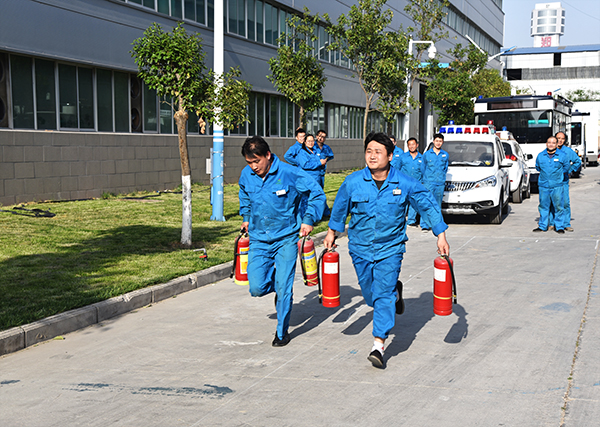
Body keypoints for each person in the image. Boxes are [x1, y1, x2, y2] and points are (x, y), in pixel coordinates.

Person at [323, 132, 450, 369]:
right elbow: (340, 208)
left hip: (390, 249)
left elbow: (427, 204)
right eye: (369, 151)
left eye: (378, 152)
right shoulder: (353, 182)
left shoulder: (405, 182)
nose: (372, 156)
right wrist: (332, 232)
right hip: (360, 248)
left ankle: (378, 345)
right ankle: (395, 295)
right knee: (370, 295)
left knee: (382, 295)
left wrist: (440, 234)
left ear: (390, 156)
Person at [239, 136, 327, 346]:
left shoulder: (290, 173)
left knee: (285, 287)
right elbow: (244, 196)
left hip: (286, 238)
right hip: (259, 239)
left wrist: (308, 219)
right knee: (256, 288)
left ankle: (281, 332)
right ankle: (279, 286)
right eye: (249, 162)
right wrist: (245, 218)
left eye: (256, 161)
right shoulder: (247, 175)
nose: (253, 167)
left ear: (267, 156)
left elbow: (317, 194)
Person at [533, 136, 570, 234]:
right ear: (546, 144)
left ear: (556, 144)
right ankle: (542, 226)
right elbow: (538, 167)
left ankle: (559, 227)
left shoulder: (562, 155)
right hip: (544, 186)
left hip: (557, 186)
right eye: (549, 142)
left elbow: (566, 167)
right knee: (543, 206)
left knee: (558, 206)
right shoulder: (541, 155)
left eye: (553, 143)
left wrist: (558, 176)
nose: (551, 144)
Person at [554, 131, 581, 232]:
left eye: (562, 138)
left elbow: (577, 161)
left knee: (565, 203)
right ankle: (553, 223)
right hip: (552, 182)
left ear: (565, 140)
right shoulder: (551, 150)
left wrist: (569, 170)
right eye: (558, 138)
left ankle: (566, 224)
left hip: (563, 181)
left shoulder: (568, 151)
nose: (560, 140)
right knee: (553, 203)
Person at [420, 133, 449, 232]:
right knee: (427, 203)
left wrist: (440, 178)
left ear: (442, 142)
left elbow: (445, 168)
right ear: (433, 142)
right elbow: (423, 168)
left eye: (440, 141)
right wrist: (426, 180)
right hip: (429, 182)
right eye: (436, 141)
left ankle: (437, 224)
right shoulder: (427, 154)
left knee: (437, 204)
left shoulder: (445, 155)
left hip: (440, 183)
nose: (438, 143)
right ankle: (424, 224)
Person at [395, 137, 425, 227]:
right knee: (403, 202)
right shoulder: (402, 157)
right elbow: (397, 169)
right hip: (404, 183)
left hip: (416, 184)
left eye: (413, 144)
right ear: (407, 146)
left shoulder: (422, 158)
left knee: (413, 202)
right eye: (409, 145)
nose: (411, 146)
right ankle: (401, 219)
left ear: (417, 145)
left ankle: (411, 220)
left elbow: (424, 171)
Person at [295, 133, 327, 217]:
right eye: (308, 141)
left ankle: (316, 215)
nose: (311, 143)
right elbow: (305, 165)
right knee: (306, 200)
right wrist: (319, 163)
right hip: (308, 180)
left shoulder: (315, 151)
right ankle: (305, 218)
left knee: (316, 198)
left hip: (317, 178)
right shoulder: (302, 153)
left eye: (312, 141)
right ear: (304, 142)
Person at [314, 129, 334, 216]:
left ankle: (324, 211)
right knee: (317, 192)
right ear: (316, 136)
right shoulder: (312, 146)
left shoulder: (326, 148)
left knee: (320, 191)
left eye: (324, 137)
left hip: (322, 173)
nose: (321, 138)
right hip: (314, 172)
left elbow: (331, 155)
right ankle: (324, 211)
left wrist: (325, 160)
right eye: (320, 136)